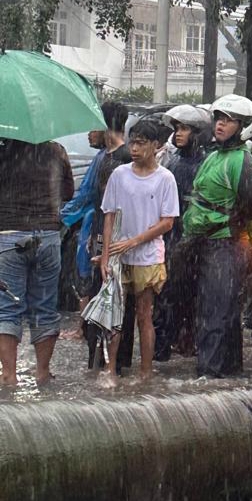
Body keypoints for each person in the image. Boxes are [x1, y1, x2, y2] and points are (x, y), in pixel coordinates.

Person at [181, 94, 252, 378]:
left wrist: (239, 239)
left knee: (216, 311)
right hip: (203, 241)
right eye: (219, 119)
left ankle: (209, 375)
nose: (221, 125)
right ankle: (227, 373)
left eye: (228, 121)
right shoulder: (213, 155)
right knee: (216, 310)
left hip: (225, 244)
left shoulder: (243, 161)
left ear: (243, 127)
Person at [99, 119, 179, 385]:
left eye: (141, 143)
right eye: (132, 142)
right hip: (120, 254)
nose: (134, 148)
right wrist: (107, 254)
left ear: (155, 147)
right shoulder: (119, 175)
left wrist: (134, 242)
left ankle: (146, 373)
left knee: (144, 314)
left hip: (148, 255)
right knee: (115, 313)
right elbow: (108, 216)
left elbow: (167, 222)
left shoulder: (165, 178)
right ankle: (110, 371)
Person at [0, 137, 74, 385]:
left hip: (9, 237)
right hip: (48, 236)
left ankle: (9, 375)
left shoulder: (4, 151)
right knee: (45, 306)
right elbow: (68, 192)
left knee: (7, 309)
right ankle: (42, 372)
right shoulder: (56, 150)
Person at [154, 105, 211, 361]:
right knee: (167, 294)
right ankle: (163, 346)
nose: (178, 133)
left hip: (194, 236)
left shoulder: (205, 163)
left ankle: (185, 341)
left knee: (189, 295)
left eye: (184, 128)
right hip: (171, 232)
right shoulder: (172, 159)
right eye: (176, 128)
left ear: (197, 133)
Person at [86, 101, 132, 369]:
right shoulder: (106, 156)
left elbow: (121, 207)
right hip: (101, 236)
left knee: (117, 302)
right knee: (99, 300)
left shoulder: (126, 157)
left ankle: (116, 365)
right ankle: (97, 363)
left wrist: (112, 245)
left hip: (117, 241)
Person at [59, 128, 107, 339]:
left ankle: (85, 328)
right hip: (92, 222)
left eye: (92, 130)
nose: (89, 135)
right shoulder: (102, 156)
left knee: (86, 272)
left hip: (91, 224)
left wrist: (63, 213)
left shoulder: (103, 159)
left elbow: (86, 192)